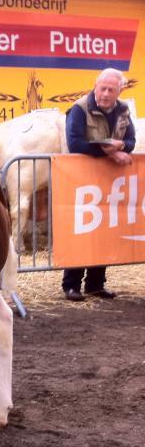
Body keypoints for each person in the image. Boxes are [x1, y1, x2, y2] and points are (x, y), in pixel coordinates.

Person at [62, 67, 135, 302]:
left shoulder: (124, 110)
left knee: (103, 230)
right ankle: (71, 285)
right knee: (80, 230)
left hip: (108, 181)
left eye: (110, 90)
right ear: (95, 86)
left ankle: (95, 284)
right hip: (80, 179)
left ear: (119, 91)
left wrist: (121, 147)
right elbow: (75, 145)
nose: (105, 94)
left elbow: (131, 140)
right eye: (102, 88)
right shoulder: (79, 108)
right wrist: (112, 154)